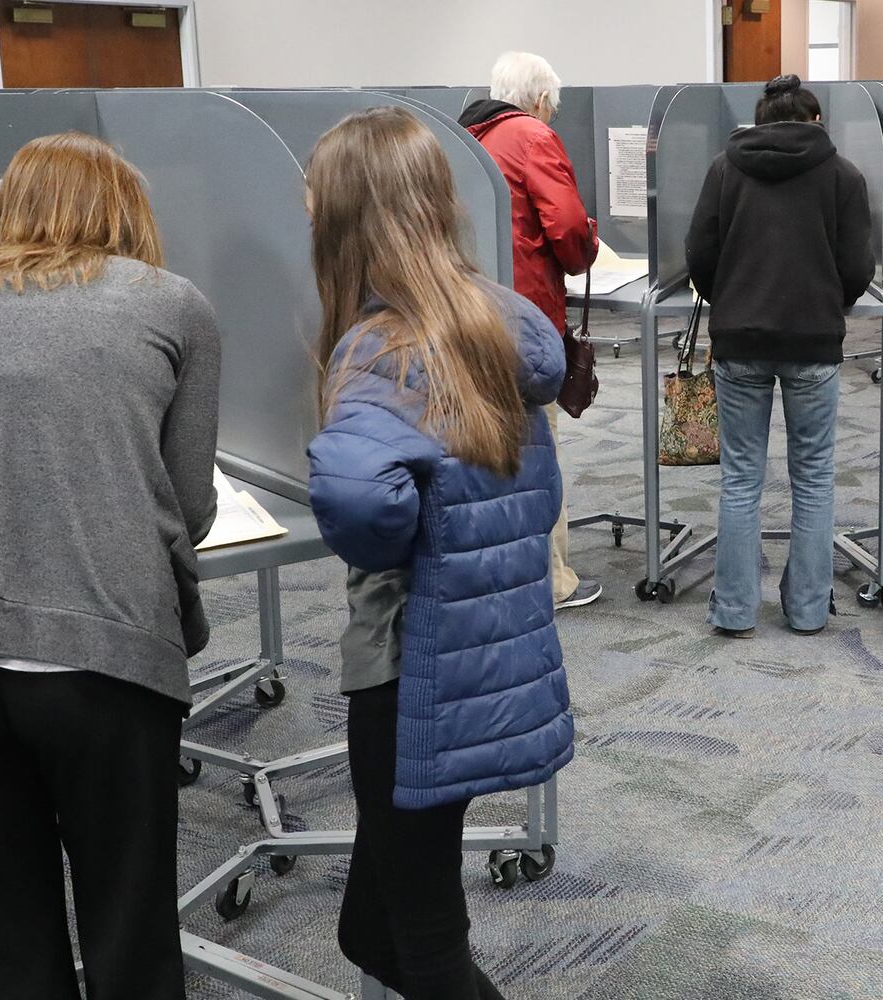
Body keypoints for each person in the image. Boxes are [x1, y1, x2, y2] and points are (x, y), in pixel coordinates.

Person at [0, 132, 220, 1000]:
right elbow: (191, 507)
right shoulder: (172, 305)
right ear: (129, 212)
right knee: (129, 932)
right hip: (100, 655)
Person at [305, 106, 574, 1000]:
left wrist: (392, 527)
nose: (305, 212)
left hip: (408, 666)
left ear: (355, 216)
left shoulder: (380, 346)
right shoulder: (491, 322)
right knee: (370, 929)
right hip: (486, 648)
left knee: (425, 945)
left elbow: (357, 502)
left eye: (315, 199)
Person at [686, 75, 875, 637]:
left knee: (741, 478)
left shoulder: (725, 168)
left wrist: (734, 298)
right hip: (813, 340)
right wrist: (825, 303)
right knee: (814, 478)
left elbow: (701, 254)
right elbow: (857, 267)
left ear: (760, 122)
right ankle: (809, 609)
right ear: (814, 122)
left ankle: (736, 611)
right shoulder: (842, 175)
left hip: (740, 339)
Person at [459, 51, 603, 611]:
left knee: (485, 446)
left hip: (473, 313)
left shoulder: (468, 136)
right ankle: (552, 580)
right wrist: (587, 242)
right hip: (526, 318)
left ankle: (496, 570)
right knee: (538, 447)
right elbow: (568, 234)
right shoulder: (533, 136)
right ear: (541, 100)